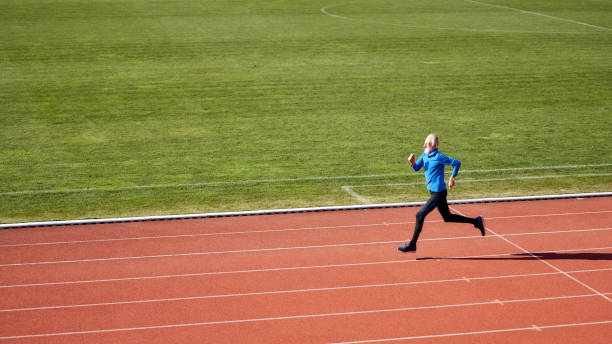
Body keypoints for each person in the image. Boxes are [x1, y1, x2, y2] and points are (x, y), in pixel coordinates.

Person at [398, 134, 485, 252]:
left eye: (427, 144)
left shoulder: (439, 156)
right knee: (447, 217)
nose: (424, 145)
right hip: (434, 192)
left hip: (438, 193)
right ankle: (476, 221)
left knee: (420, 215)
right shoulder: (425, 154)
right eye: (424, 143)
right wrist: (412, 162)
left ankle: (412, 244)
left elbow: (457, 163)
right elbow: (417, 168)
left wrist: (452, 178)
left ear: (435, 146)